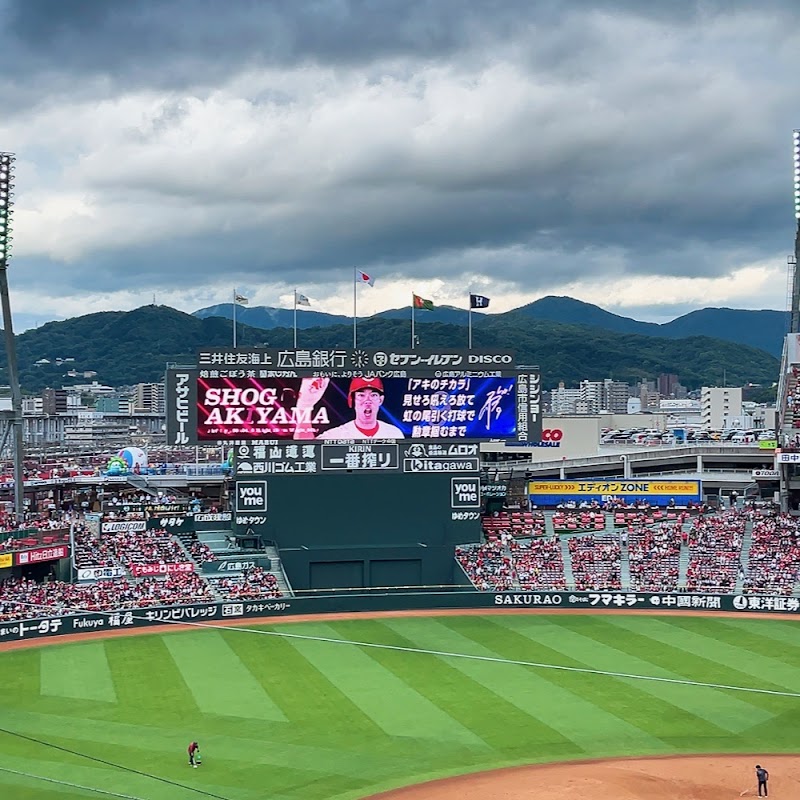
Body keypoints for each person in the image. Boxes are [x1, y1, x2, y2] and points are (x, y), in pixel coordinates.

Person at [293, 376, 404, 440]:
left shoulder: (394, 433)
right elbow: (307, 452)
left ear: (380, 400)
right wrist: (305, 406)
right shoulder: (337, 435)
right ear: (352, 400)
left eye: (373, 395)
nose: (368, 400)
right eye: (361, 395)